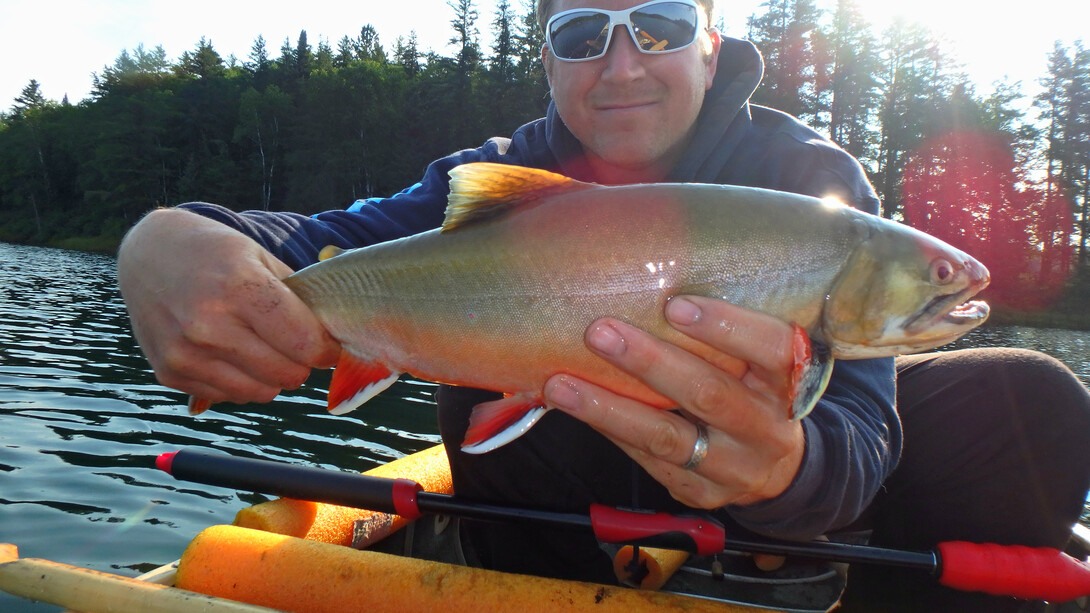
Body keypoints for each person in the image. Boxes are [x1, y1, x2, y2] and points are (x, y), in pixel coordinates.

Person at [117, 1, 1090, 610]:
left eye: (658, 25)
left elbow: (861, 425)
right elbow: (303, 248)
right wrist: (170, 238)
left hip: (770, 504)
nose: (621, 65)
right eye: (582, 34)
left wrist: (789, 468)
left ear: (711, 43)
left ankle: (802, 569)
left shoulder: (806, 183)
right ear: (550, 59)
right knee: (504, 397)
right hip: (551, 482)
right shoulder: (486, 177)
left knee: (1029, 402)